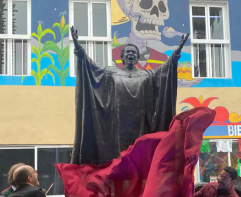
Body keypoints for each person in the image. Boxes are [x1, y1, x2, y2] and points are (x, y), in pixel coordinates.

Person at [70, 26, 189, 166]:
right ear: (122, 57)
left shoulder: (148, 75)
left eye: (134, 52)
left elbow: (165, 70)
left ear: (138, 57)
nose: (131, 54)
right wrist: (79, 49)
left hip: (141, 124)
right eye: (128, 52)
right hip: (118, 124)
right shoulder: (111, 73)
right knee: (120, 160)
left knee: (138, 159)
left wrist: (176, 53)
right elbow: (91, 67)